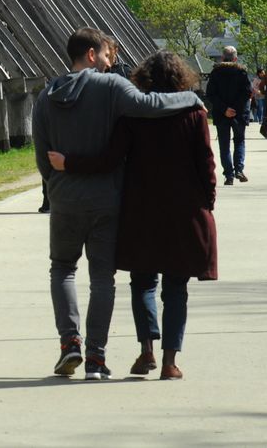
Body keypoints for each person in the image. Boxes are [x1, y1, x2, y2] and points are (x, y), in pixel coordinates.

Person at [32, 28, 201, 381]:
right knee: (102, 279)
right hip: (105, 199)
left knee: (62, 269)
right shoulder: (110, 88)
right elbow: (151, 104)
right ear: (92, 55)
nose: (112, 63)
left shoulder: (46, 96)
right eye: (108, 55)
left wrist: (58, 185)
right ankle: (95, 357)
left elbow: (42, 158)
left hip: (64, 198)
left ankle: (69, 343)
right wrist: (191, 98)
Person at [205, 46, 251, 185]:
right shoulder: (242, 72)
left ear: (222, 58)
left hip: (221, 113)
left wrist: (225, 109)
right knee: (239, 141)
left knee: (224, 145)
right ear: (235, 58)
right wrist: (235, 108)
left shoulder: (215, 73)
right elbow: (247, 93)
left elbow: (210, 94)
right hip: (238, 114)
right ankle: (239, 169)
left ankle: (229, 175)